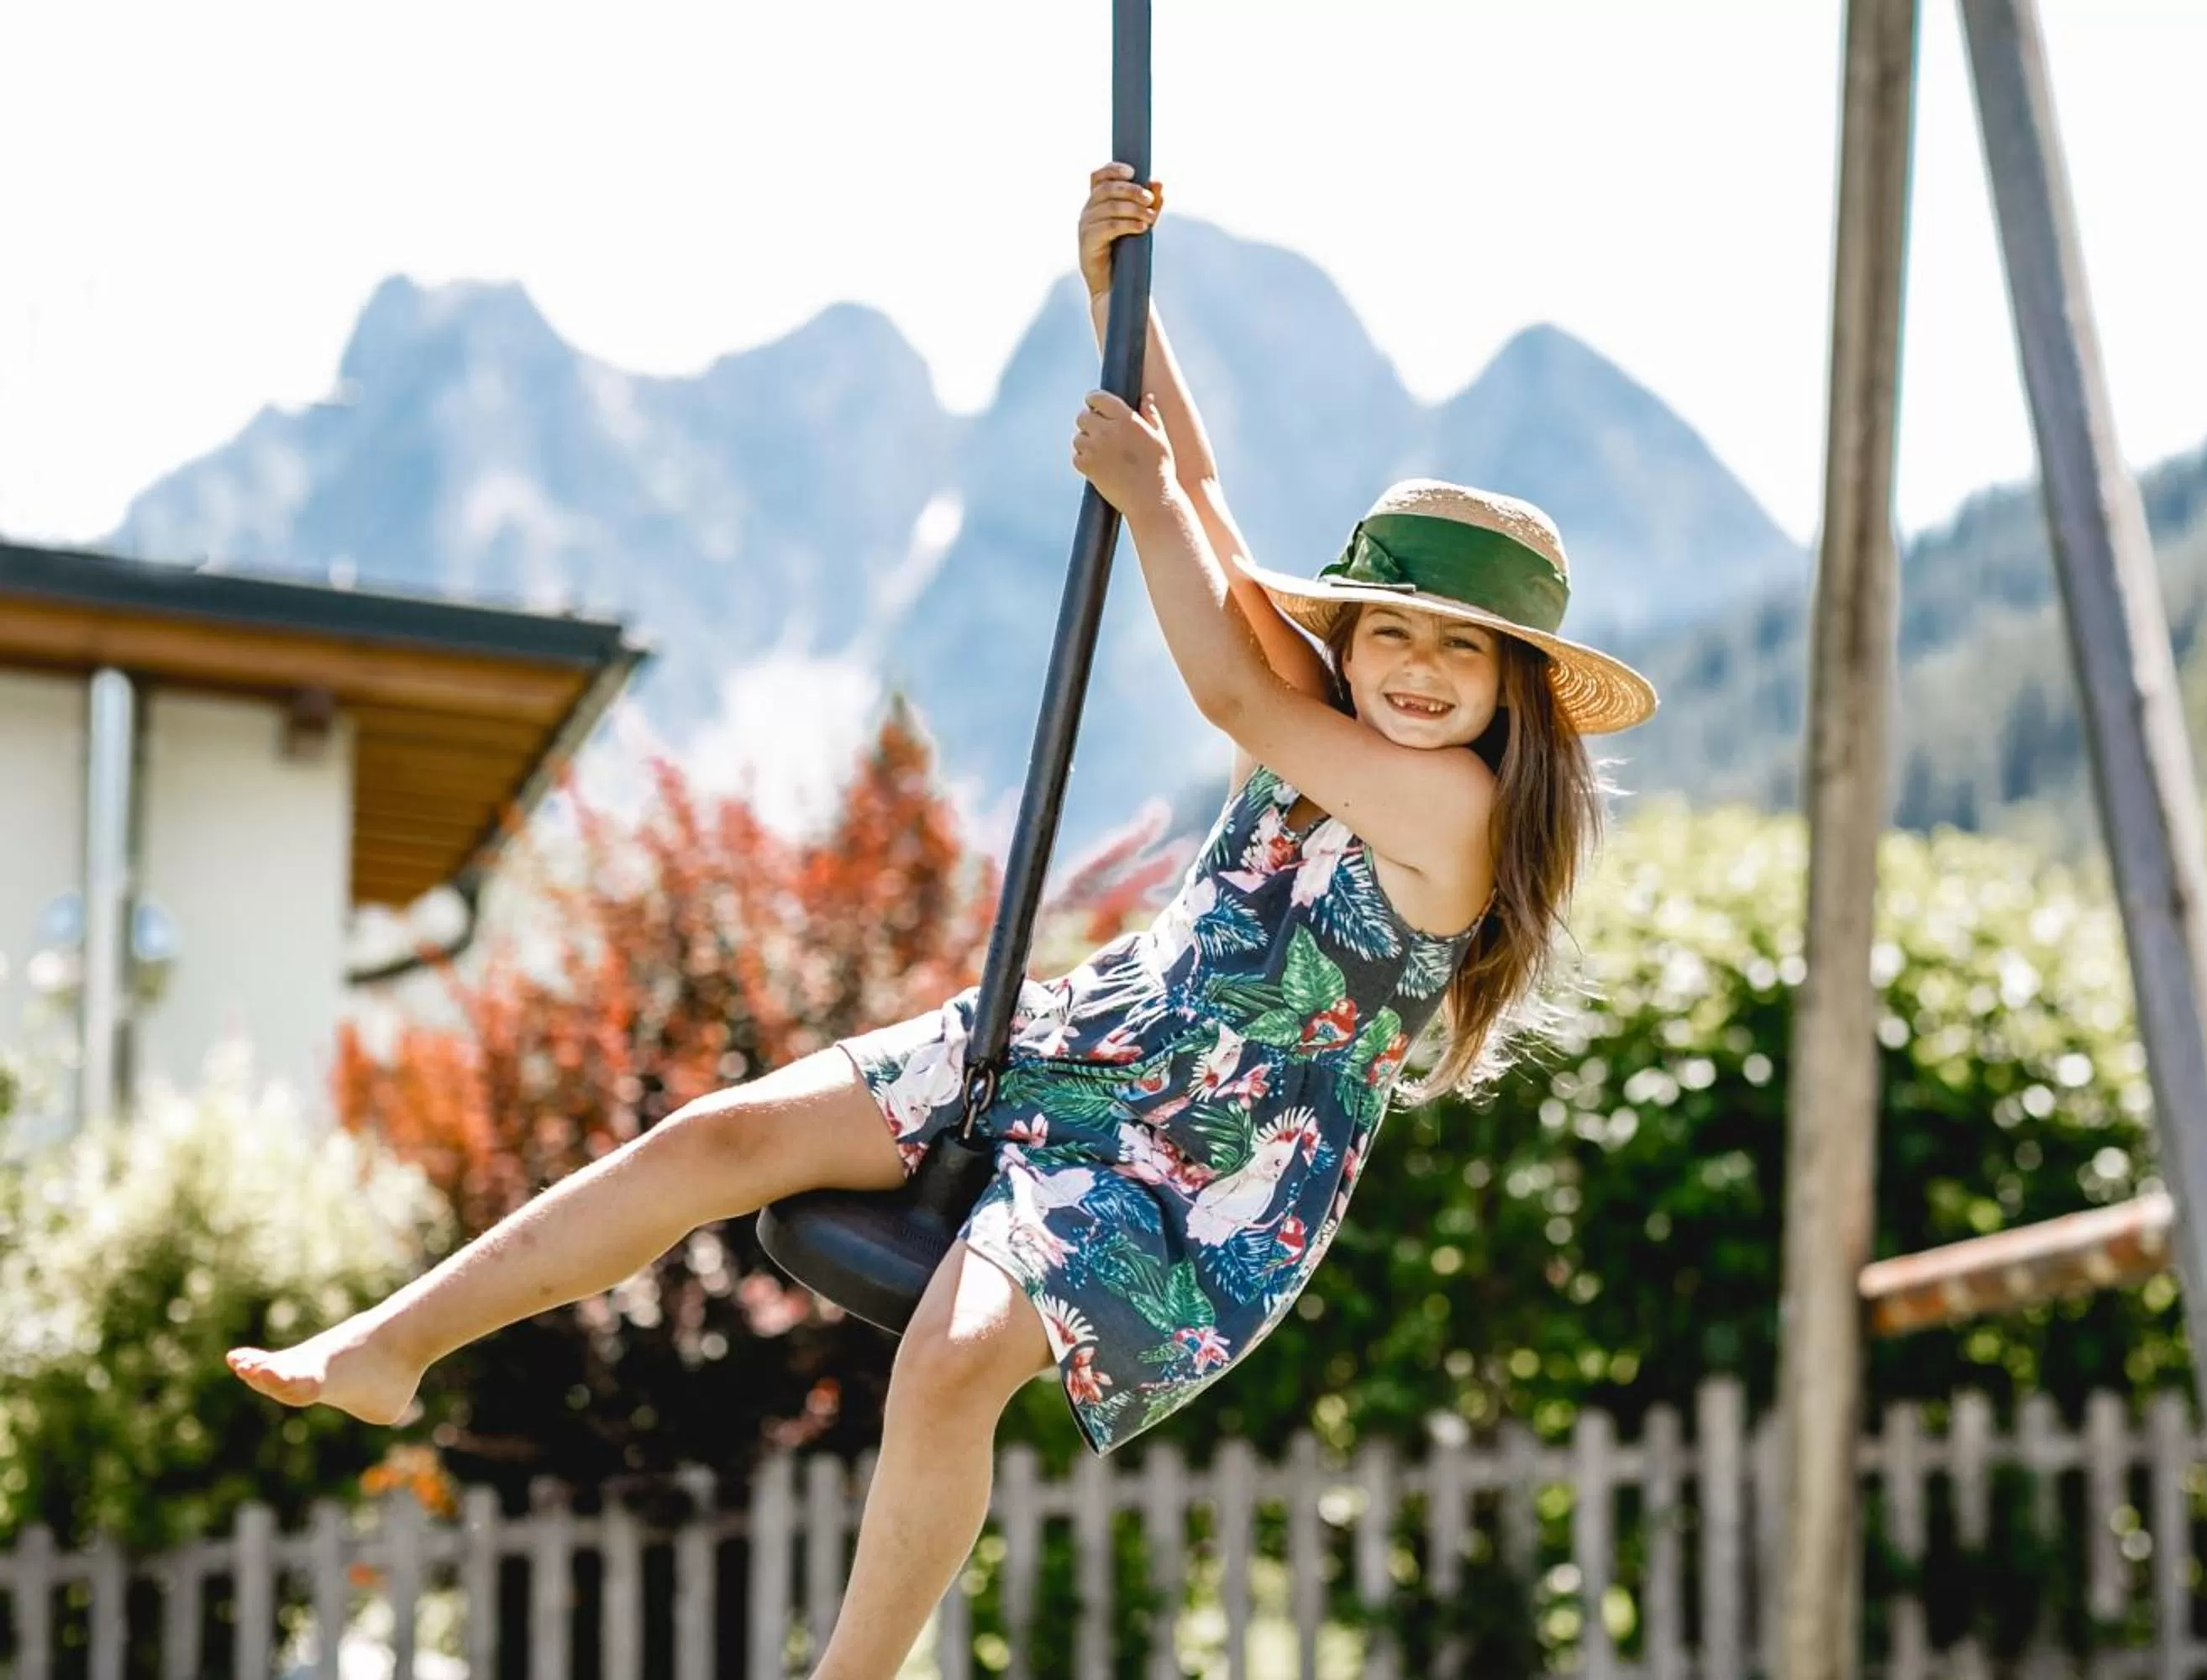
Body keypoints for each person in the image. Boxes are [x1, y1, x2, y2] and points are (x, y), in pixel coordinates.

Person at [228, 163, 1658, 1678]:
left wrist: (1145, 500)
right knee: (719, 1140)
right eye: (1394, 633)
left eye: (1460, 653)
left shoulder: (1455, 814)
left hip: (1194, 1168)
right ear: (1352, 639)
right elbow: (1216, 518)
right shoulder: (1339, 714)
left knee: (954, 1356)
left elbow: (1230, 681)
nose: (1418, 670)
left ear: (1514, 690)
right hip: (1076, 1041)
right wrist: (1119, 303)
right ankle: (391, 1346)